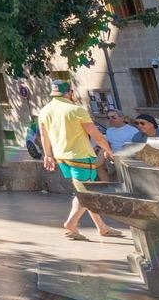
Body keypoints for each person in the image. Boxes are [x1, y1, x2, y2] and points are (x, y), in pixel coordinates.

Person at [36, 80, 126, 241]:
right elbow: (96, 135)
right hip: (81, 157)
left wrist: (48, 155)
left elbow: (44, 135)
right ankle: (71, 224)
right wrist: (109, 150)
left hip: (61, 157)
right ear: (69, 93)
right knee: (85, 193)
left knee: (84, 192)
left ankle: (102, 227)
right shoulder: (76, 110)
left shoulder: (44, 111)